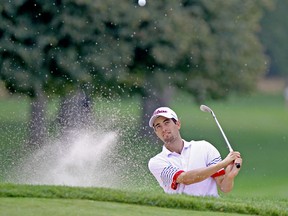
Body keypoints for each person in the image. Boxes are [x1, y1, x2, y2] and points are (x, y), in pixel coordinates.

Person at [148, 107, 242, 197]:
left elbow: (224, 187)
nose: (163, 129)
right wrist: (223, 163)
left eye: (166, 123)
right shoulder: (156, 162)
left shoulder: (205, 147)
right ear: (156, 132)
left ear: (178, 124)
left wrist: (230, 176)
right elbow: (185, 179)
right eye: (158, 126)